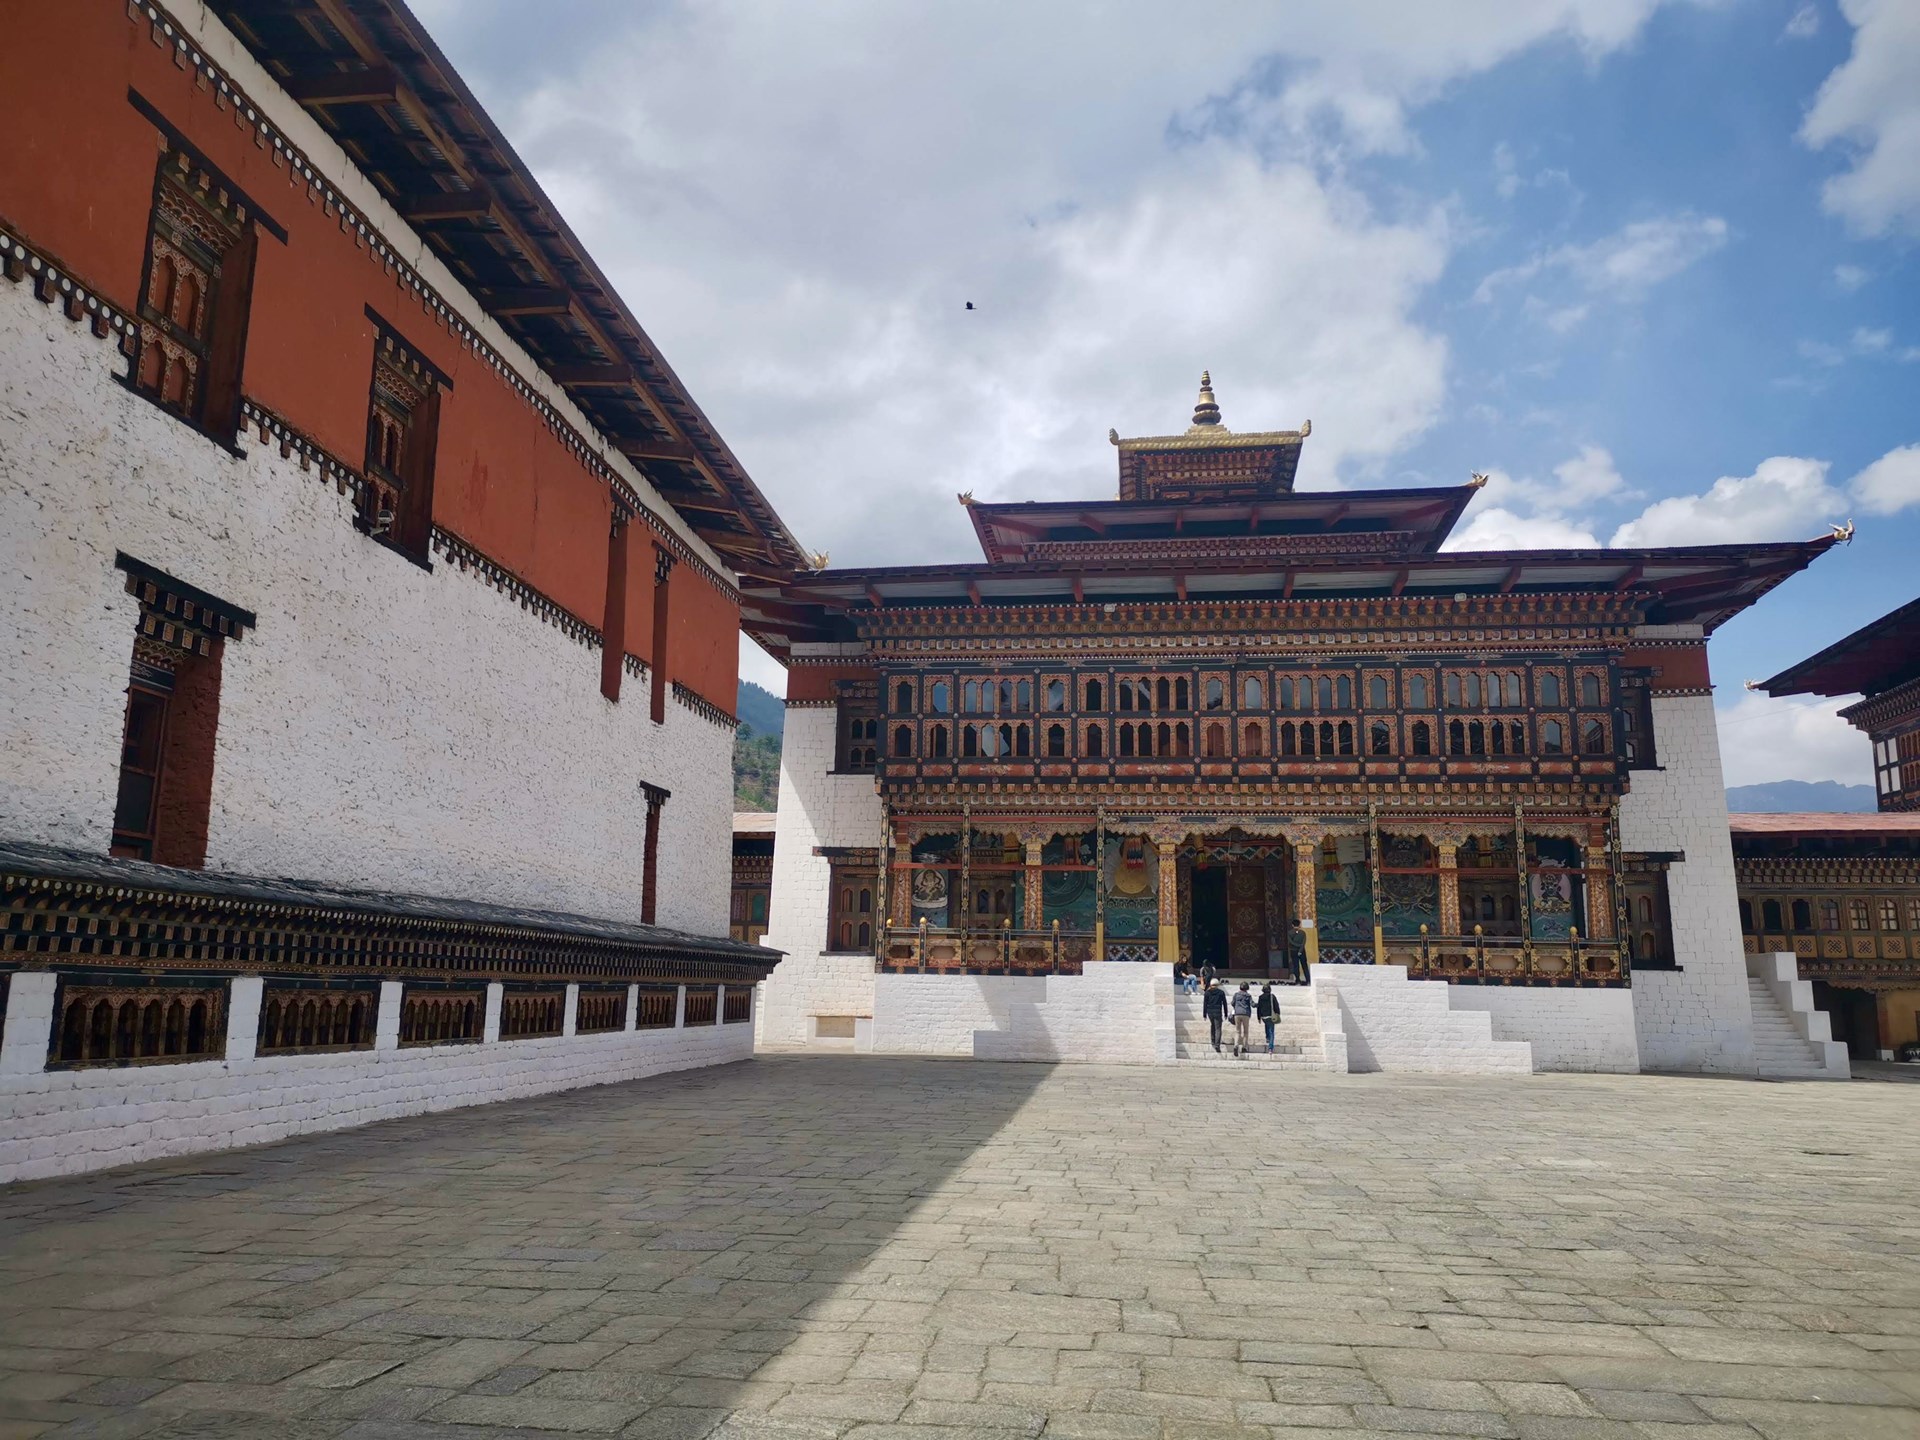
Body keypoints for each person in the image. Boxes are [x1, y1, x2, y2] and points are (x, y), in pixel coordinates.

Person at [1202, 978, 1228, 1054]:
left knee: (1212, 1026)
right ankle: (1217, 1045)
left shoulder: (1207, 993)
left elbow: (1205, 1004)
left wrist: (1204, 1014)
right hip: (1217, 1011)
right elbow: (1224, 1003)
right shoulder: (1221, 993)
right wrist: (1226, 1013)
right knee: (1218, 1028)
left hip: (1210, 1012)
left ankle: (1213, 1041)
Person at [1255, 982, 1279, 1055]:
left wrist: (1258, 1017)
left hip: (1264, 1016)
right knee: (1271, 1031)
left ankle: (1267, 1037)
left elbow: (1259, 1008)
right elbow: (1276, 1006)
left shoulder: (1260, 997)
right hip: (1271, 1016)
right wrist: (1278, 1014)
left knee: (1267, 1025)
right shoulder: (1272, 996)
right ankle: (1270, 1048)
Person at [1231, 982, 1254, 1057]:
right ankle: (1244, 1047)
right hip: (1245, 1014)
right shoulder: (1248, 996)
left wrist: (1237, 1007)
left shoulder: (1236, 994)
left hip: (1237, 1013)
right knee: (1245, 1032)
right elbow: (1252, 1004)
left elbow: (1232, 1003)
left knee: (1237, 1031)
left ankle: (1236, 1045)